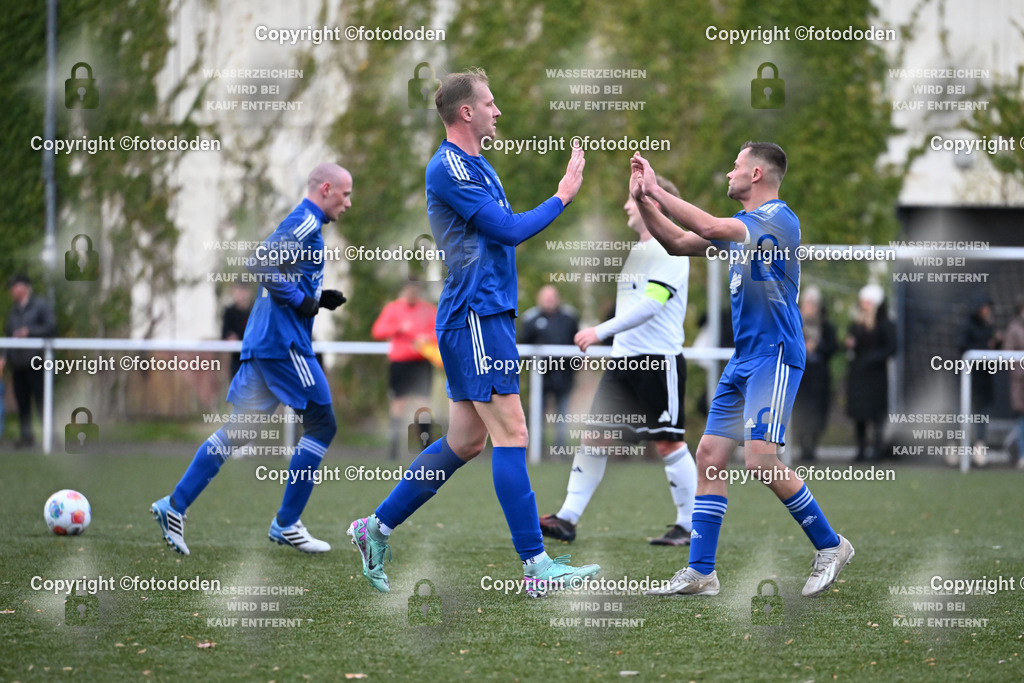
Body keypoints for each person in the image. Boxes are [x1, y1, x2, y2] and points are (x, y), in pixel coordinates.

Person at [347, 67, 599, 597]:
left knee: (464, 441)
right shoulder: (448, 168)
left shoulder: (477, 164)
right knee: (514, 434)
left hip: (484, 317)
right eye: (489, 102)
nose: (497, 110)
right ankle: (536, 567)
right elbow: (507, 231)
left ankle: (375, 528)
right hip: (477, 318)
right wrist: (563, 196)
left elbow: (500, 237)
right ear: (467, 112)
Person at [629, 143, 854, 598]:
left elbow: (709, 224)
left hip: (774, 355)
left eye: (734, 166)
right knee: (709, 455)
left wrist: (656, 187)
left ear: (755, 174)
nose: (728, 173)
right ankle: (701, 572)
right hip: (745, 358)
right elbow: (675, 242)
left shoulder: (776, 218)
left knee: (761, 460)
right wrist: (643, 201)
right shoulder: (743, 230)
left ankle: (831, 546)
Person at [151, 163, 351, 556]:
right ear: (325, 189)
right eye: (345, 193)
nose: (348, 202)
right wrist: (302, 302)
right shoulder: (306, 221)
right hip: (283, 346)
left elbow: (283, 271)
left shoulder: (306, 224)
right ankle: (287, 523)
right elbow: (261, 261)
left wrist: (315, 299)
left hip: (266, 342)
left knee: (239, 431)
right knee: (322, 424)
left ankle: (174, 506)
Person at [539, 177, 697, 547]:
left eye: (633, 200)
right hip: (622, 363)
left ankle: (689, 525)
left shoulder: (669, 249)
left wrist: (599, 330)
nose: (628, 206)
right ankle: (567, 518)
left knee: (669, 443)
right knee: (593, 438)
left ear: (654, 206)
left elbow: (652, 304)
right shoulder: (640, 250)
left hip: (658, 363)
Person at [371, 282, 439, 460]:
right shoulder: (393, 309)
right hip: (400, 364)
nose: (412, 295)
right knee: (398, 405)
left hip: (421, 364)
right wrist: (398, 328)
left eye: (415, 291)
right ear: (403, 291)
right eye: (409, 291)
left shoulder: (428, 310)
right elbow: (378, 331)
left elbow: (439, 331)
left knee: (422, 405)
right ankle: (393, 450)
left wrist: (428, 337)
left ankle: (427, 448)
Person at [518, 285, 579, 452]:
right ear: (539, 299)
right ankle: (537, 448)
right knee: (538, 412)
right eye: (546, 297)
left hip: (564, 376)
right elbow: (523, 344)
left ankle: (560, 449)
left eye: (552, 297)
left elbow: (576, 345)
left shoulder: (569, 318)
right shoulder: (530, 318)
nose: (549, 301)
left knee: (562, 413)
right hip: (540, 376)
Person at [2, 274, 57, 448]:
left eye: (14, 286)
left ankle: (51, 437)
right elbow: (9, 335)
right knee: (22, 402)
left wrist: (29, 331)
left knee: (42, 400)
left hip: (37, 362)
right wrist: (3, 356)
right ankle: (27, 437)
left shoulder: (40, 306)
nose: (12, 290)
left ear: (24, 287)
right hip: (18, 364)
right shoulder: (14, 310)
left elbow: (51, 327)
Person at [845, 284, 896, 462]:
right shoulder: (857, 322)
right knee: (859, 415)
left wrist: (872, 358)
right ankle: (861, 449)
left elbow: (891, 348)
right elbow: (851, 341)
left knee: (876, 415)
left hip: (875, 377)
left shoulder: (885, 324)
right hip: (858, 375)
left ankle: (877, 449)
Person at [791, 286, 837, 462]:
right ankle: (802, 447)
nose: (809, 307)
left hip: (819, 377)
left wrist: (819, 346)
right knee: (799, 410)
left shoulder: (826, 326)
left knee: (818, 412)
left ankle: (813, 447)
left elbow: (833, 348)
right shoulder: (794, 323)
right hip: (799, 376)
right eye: (807, 303)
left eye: (813, 304)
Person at [957, 293, 1001, 459]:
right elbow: (962, 347)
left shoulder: (990, 326)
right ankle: (957, 450)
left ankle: (979, 451)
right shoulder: (968, 326)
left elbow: (995, 353)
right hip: (969, 379)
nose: (987, 311)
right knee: (962, 414)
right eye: (984, 307)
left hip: (985, 379)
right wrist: (985, 344)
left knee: (982, 415)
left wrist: (996, 343)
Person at [1002, 295, 1024, 468]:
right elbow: (1008, 355)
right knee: (1021, 419)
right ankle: (1022, 455)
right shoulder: (1014, 328)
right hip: (1020, 382)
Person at [222, 282, 254, 378]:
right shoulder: (229, 312)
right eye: (238, 291)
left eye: (243, 291)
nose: (241, 295)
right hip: (237, 360)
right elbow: (225, 334)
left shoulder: (256, 310)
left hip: (254, 359)